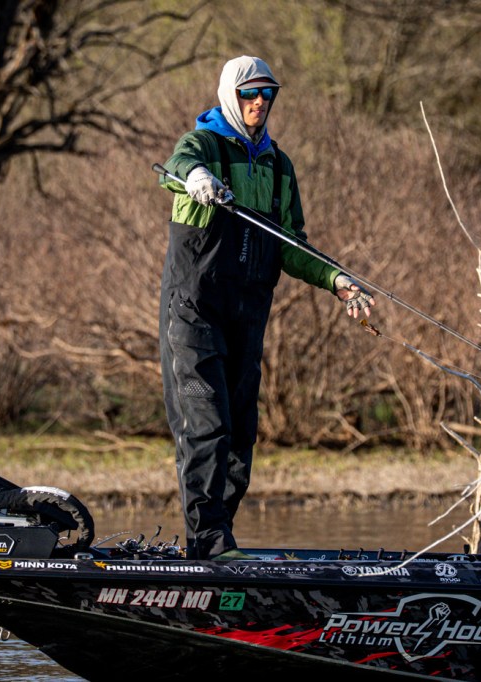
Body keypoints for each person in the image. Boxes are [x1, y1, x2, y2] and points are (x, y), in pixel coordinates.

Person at [159, 55, 374, 560]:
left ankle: (220, 541)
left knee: (240, 436)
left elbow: (292, 247)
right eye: (249, 94)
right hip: (193, 315)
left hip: (247, 319)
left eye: (267, 94)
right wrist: (196, 178)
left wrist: (339, 280)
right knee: (206, 427)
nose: (260, 102)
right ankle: (208, 544)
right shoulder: (203, 145)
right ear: (230, 95)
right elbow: (174, 167)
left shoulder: (279, 167)